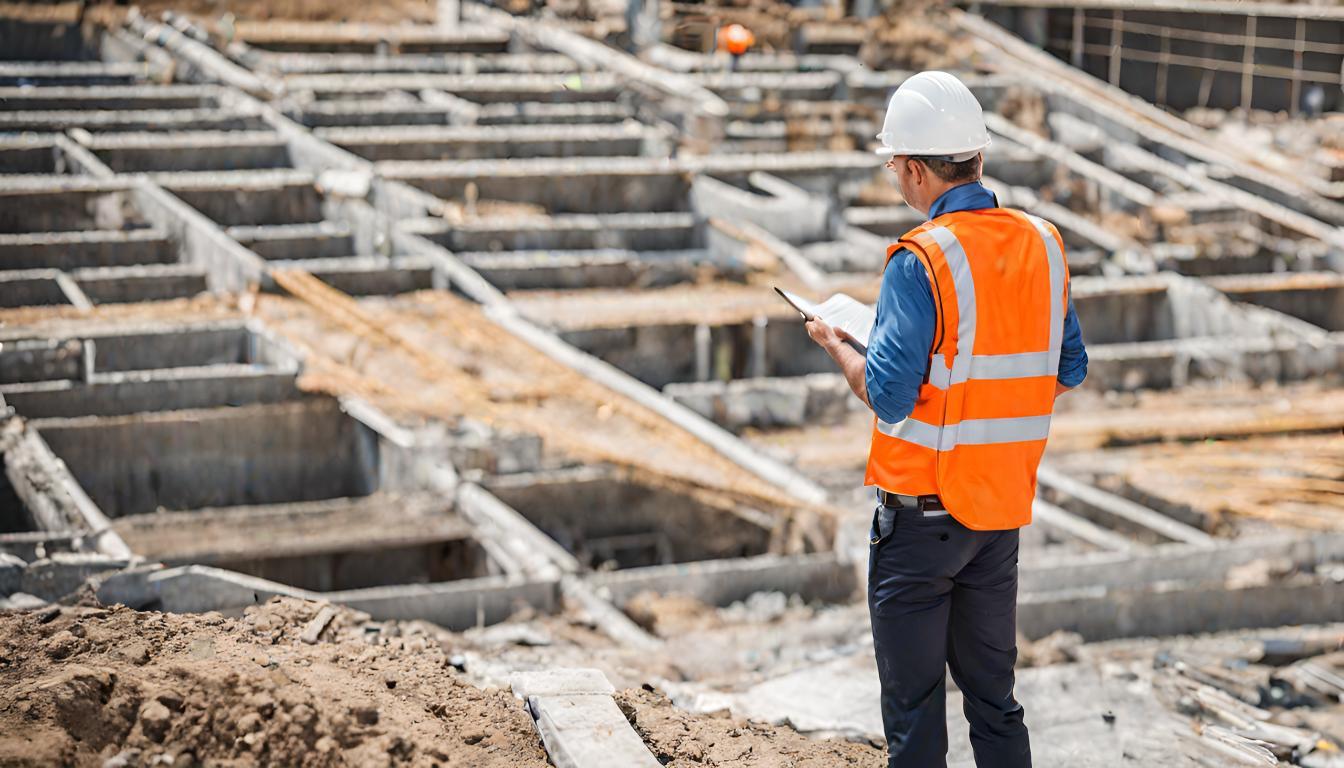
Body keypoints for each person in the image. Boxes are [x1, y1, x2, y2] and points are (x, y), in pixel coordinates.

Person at [804, 71, 1088, 768]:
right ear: (978, 158)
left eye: (897, 168)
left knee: (915, 712)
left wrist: (840, 348)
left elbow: (891, 395)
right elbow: (1068, 367)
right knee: (994, 703)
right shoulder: (1044, 244)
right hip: (996, 515)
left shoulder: (921, 258)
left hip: (920, 524)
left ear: (910, 168)